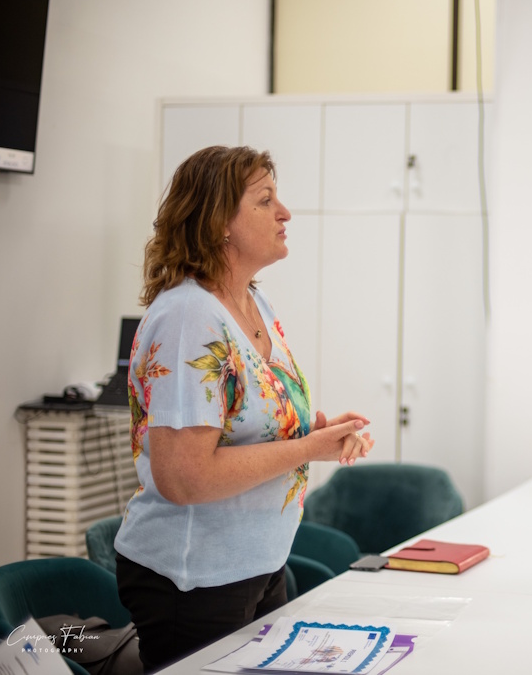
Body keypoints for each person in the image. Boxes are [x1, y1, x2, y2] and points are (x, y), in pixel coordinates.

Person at [113, 145, 375, 673]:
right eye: (265, 200)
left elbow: (250, 426)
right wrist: (306, 449)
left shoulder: (253, 302)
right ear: (219, 223)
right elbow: (184, 478)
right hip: (195, 576)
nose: (285, 213)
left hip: (256, 562)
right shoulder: (189, 318)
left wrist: (319, 433)